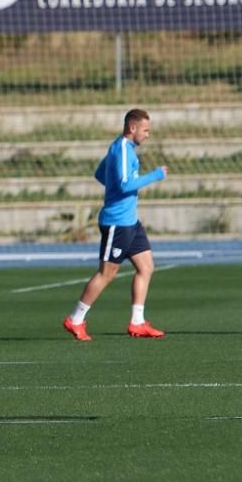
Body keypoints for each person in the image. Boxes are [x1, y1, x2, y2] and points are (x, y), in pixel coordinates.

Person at [63, 108, 168, 341]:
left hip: (131, 221)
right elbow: (123, 186)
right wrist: (155, 176)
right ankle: (76, 319)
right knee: (107, 273)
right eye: (146, 130)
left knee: (146, 267)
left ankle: (138, 322)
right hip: (117, 223)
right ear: (132, 128)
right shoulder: (121, 149)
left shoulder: (124, 149)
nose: (148, 135)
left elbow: (101, 174)